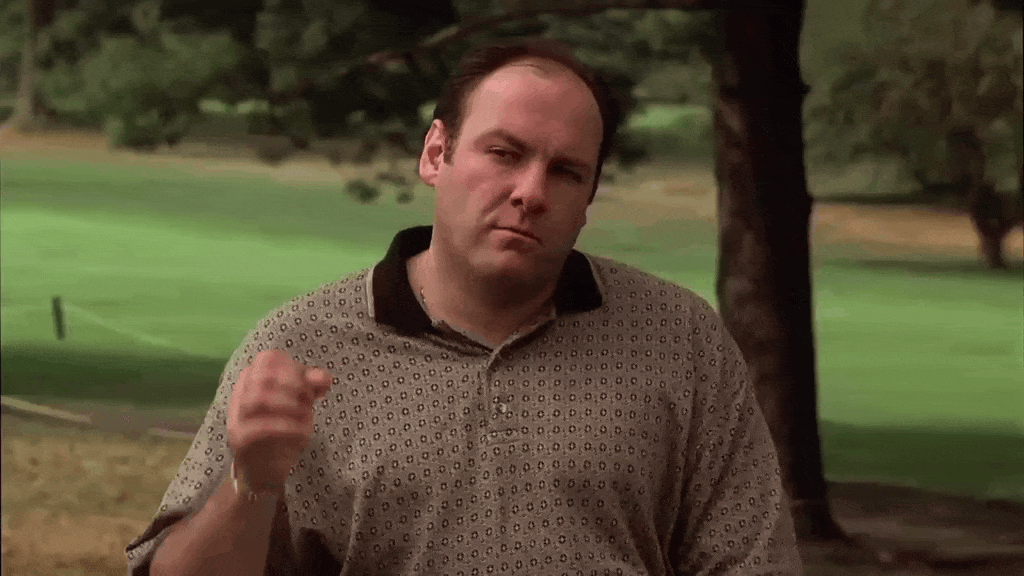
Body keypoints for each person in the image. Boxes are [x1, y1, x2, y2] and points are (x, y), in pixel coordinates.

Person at [126, 37, 803, 575]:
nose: (531, 192)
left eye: (566, 171)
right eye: (504, 153)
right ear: (435, 153)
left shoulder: (679, 339)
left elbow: (752, 562)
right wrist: (251, 482)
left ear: (589, 196)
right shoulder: (302, 346)